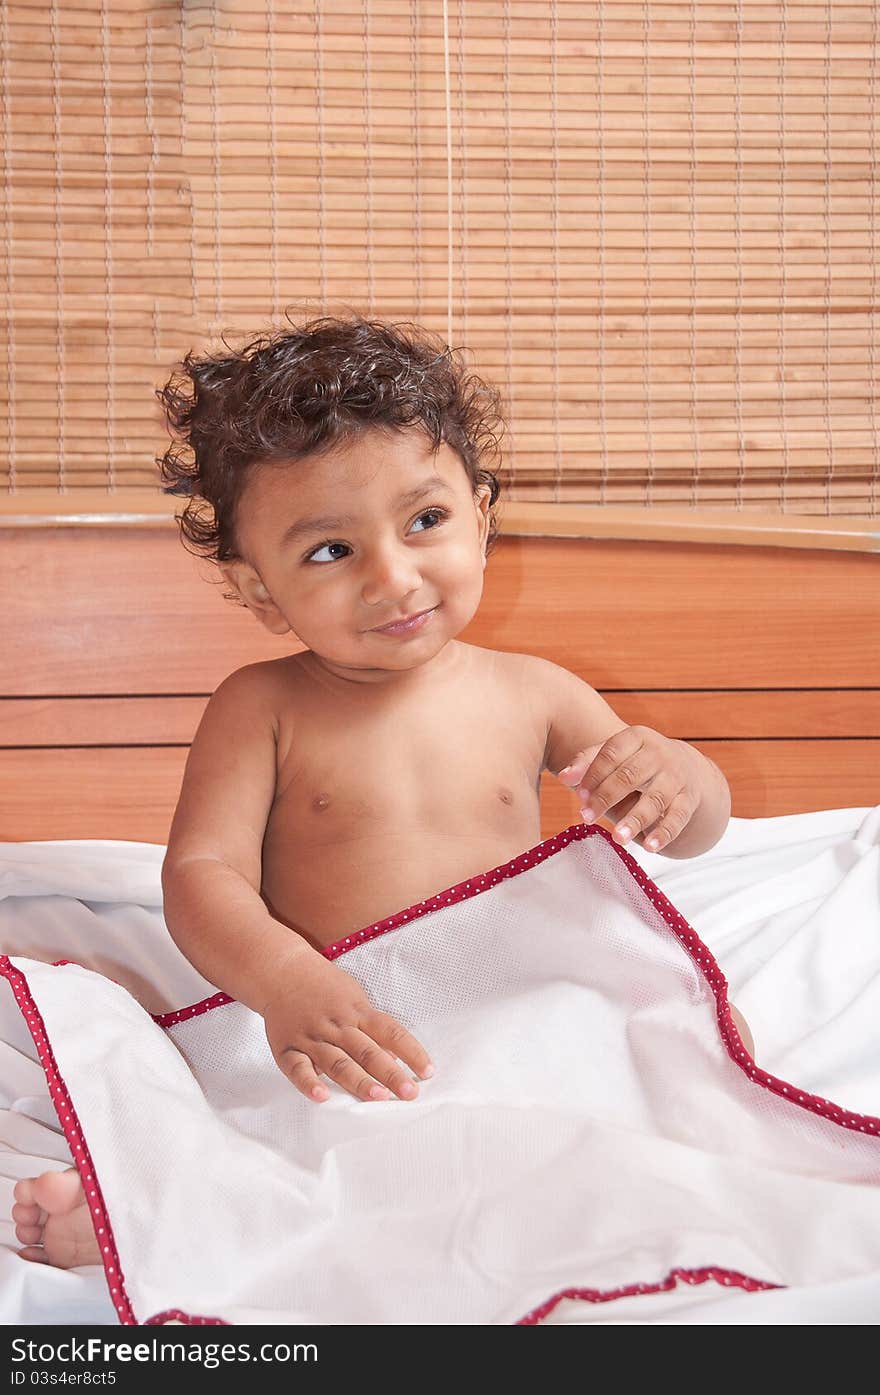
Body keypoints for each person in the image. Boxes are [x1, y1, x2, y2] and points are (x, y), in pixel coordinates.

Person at [13, 313, 751, 1267]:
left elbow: (688, 832)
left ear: (481, 512)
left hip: (510, 995)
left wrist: (679, 778)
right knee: (287, 1130)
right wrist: (282, 980)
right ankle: (143, 1208)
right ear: (259, 591)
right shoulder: (261, 706)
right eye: (330, 551)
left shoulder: (536, 691)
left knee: (628, 1066)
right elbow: (201, 874)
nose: (393, 579)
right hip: (338, 1017)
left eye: (426, 521)